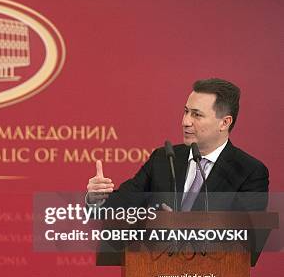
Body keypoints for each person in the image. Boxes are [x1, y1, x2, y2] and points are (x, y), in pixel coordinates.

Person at [87, 78, 269, 211]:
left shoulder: (249, 171)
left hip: (214, 264)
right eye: (186, 111)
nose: (186, 121)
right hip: (155, 263)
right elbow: (120, 206)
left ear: (224, 122)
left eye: (197, 115)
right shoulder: (164, 159)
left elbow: (245, 237)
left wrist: (182, 228)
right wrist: (96, 199)